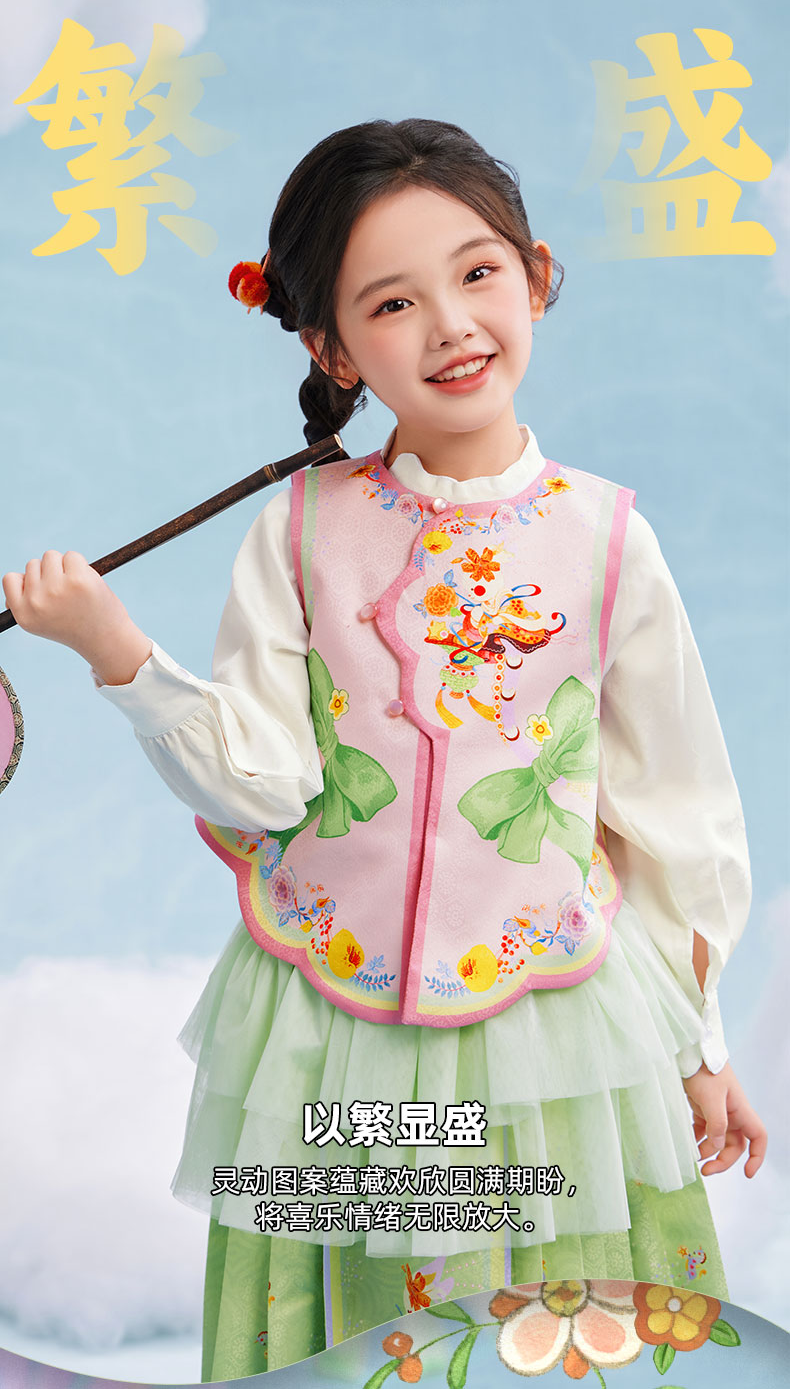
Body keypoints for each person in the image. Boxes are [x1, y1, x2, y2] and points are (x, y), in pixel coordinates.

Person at [2, 118, 767, 1382]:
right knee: (362, 1327)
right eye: (393, 302)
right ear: (332, 349)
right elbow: (265, 781)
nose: (451, 325)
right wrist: (113, 648)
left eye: (477, 273)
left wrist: (701, 1045)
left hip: (555, 1020)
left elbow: (676, 809)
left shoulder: (607, 538)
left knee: (553, 1317)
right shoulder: (300, 528)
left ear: (536, 276)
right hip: (336, 1016)